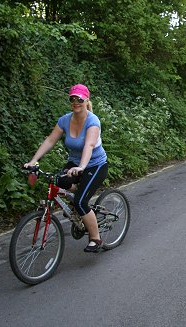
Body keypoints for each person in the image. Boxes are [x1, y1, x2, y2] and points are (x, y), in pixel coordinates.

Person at [24, 84, 108, 253]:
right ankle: (80, 204)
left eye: (79, 99)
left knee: (80, 201)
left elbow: (89, 145)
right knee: (59, 180)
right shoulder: (65, 120)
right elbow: (50, 141)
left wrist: (82, 166)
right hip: (74, 162)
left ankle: (96, 239)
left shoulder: (92, 121)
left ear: (86, 101)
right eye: (72, 99)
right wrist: (33, 160)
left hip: (95, 164)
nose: (76, 102)